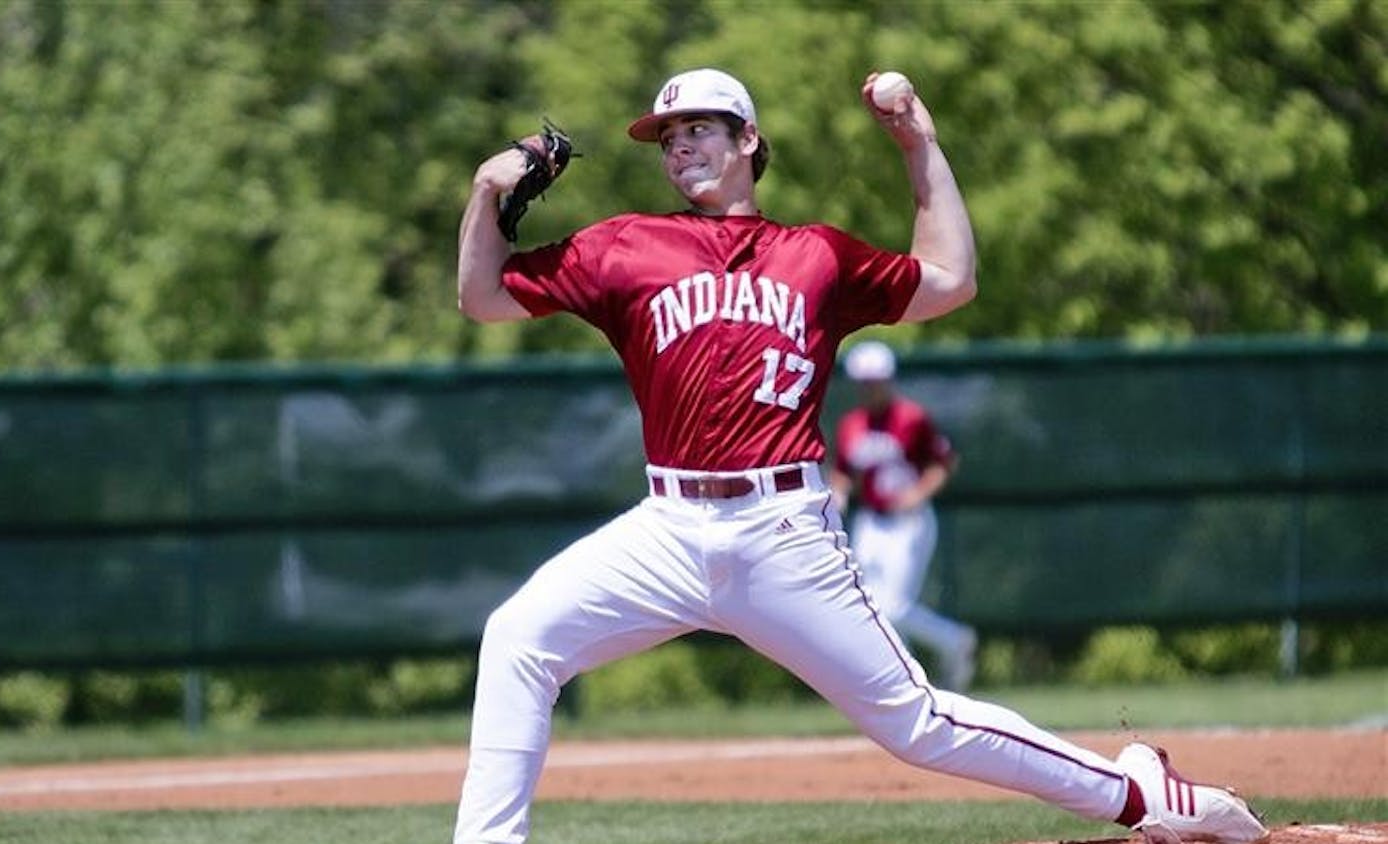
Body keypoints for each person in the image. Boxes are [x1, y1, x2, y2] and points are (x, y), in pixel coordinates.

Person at [453, 67, 1267, 844]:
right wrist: (487, 195)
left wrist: (919, 143)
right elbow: (483, 299)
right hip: (665, 529)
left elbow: (950, 277)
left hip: (783, 531)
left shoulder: (816, 256)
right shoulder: (623, 246)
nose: (679, 147)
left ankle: (1138, 793)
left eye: (698, 128)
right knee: (519, 638)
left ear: (748, 142)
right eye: (667, 138)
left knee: (917, 725)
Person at [830, 340, 978, 692]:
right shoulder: (852, 425)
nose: (870, 388)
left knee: (894, 608)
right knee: (868, 606)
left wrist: (917, 493)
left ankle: (954, 641)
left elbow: (944, 462)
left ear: (889, 379)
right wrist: (837, 493)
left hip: (910, 522)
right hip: (871, 521)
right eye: (864, 381)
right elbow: (843, 472)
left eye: (876, 380)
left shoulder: (910, 418)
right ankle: (911, 683)